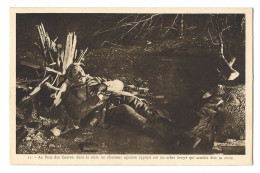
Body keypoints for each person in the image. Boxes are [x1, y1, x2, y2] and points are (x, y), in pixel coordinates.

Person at [62, 63, 200, 148]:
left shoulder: (95, 80)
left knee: (145, 109)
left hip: (118, 99)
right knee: (126, 111)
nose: (81, 73)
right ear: (70, 78)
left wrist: (105, 85)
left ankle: (185, 135)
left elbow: (119, 83)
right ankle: (172, 138)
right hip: (103, 112)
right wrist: (97, 97)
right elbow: (77, 114)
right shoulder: (72, 94)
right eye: (76, 72)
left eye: (81, 70)